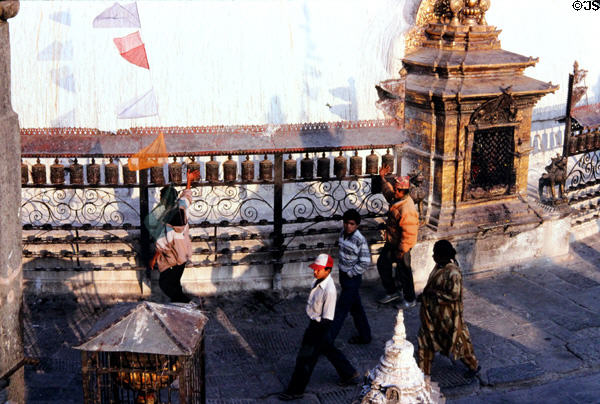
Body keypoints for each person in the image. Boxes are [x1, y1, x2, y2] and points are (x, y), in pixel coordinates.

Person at [279, 254, 360, 401]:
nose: (315, 272)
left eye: (318, 270)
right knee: (328, 348)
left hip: (320, 326)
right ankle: (349, 373)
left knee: (305, 359)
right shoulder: (317, 281)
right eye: (315, 269)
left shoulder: (329, 290)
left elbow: (327, 318)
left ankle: (296, 390)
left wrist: (315, 335)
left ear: (328, 271)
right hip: (315, 324)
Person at [417, 240, 480, 378]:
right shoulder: (438, 267)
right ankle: (423, 373)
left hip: (448, 317)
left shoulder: (453, 272)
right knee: (425, 341)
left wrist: (434, 294)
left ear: (443, 255)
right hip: (432, 314)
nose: (433, 256)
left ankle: (473, 365)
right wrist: (424, 297)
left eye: (436, 254)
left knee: (457, 342)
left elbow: (454, 295)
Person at [148, 169, 200, 303]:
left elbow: (162, 243)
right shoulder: (181, 207)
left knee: (165, 285)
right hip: (183, 256)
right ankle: (180, 305)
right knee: (175, 283)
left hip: (173, 258)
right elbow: (187, 196)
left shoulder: (168, 220)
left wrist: (154, 258)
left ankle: (186, 304)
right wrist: (189, 180)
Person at [376, 165, 419, 307]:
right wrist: (382, 178)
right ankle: (392, 291)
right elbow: (388, 193)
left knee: (404, 272)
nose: (394, 191)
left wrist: (402, 251)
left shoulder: (407, 208)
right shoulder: (397, 199)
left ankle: (410, 299)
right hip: (392, 242)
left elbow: (410, 234)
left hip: (402, 245)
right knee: (383, 264)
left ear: (402, 191)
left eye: (396, 190)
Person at [329, 209, 372, 345]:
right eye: (346, 223)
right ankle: (365, 337)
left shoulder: (360, 240)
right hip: (344, 277)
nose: (349, 226)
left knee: (340, 311)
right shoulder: (343, 234)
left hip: (352, 279)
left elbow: (365, 261)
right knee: (356, 308)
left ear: (357, 225)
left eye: (352, 224)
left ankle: (327, 341)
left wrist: (350, 273)